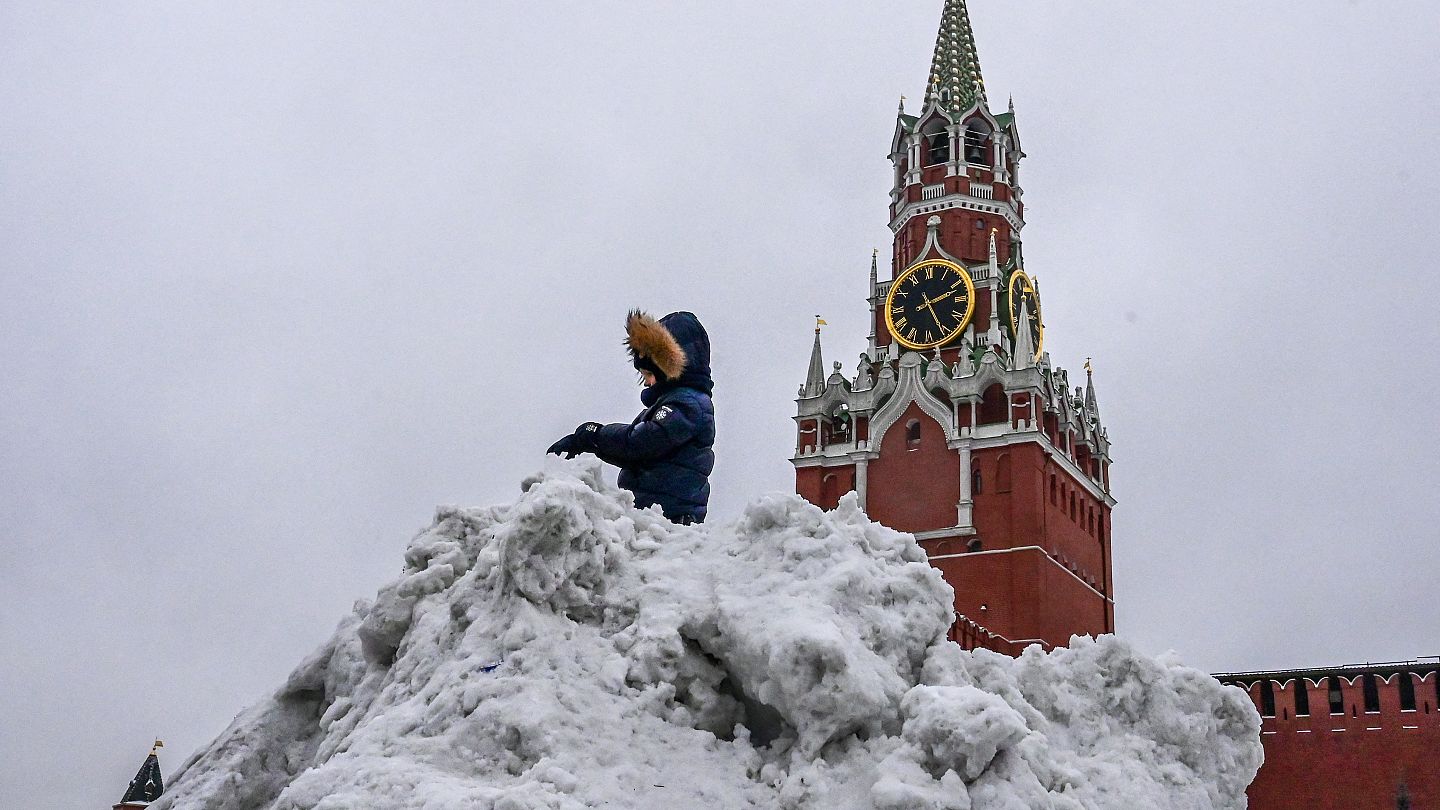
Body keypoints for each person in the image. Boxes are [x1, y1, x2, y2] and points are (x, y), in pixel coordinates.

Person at [547, 310, 715, 524]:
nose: (646, 383)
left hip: (671, 521)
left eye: (649, 375)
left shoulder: (688, 404)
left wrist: (592, 435)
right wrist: (593, 444)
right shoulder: (677, 403)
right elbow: (636, 452)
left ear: (668, 367)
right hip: (655, 519)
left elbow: (641, 443)